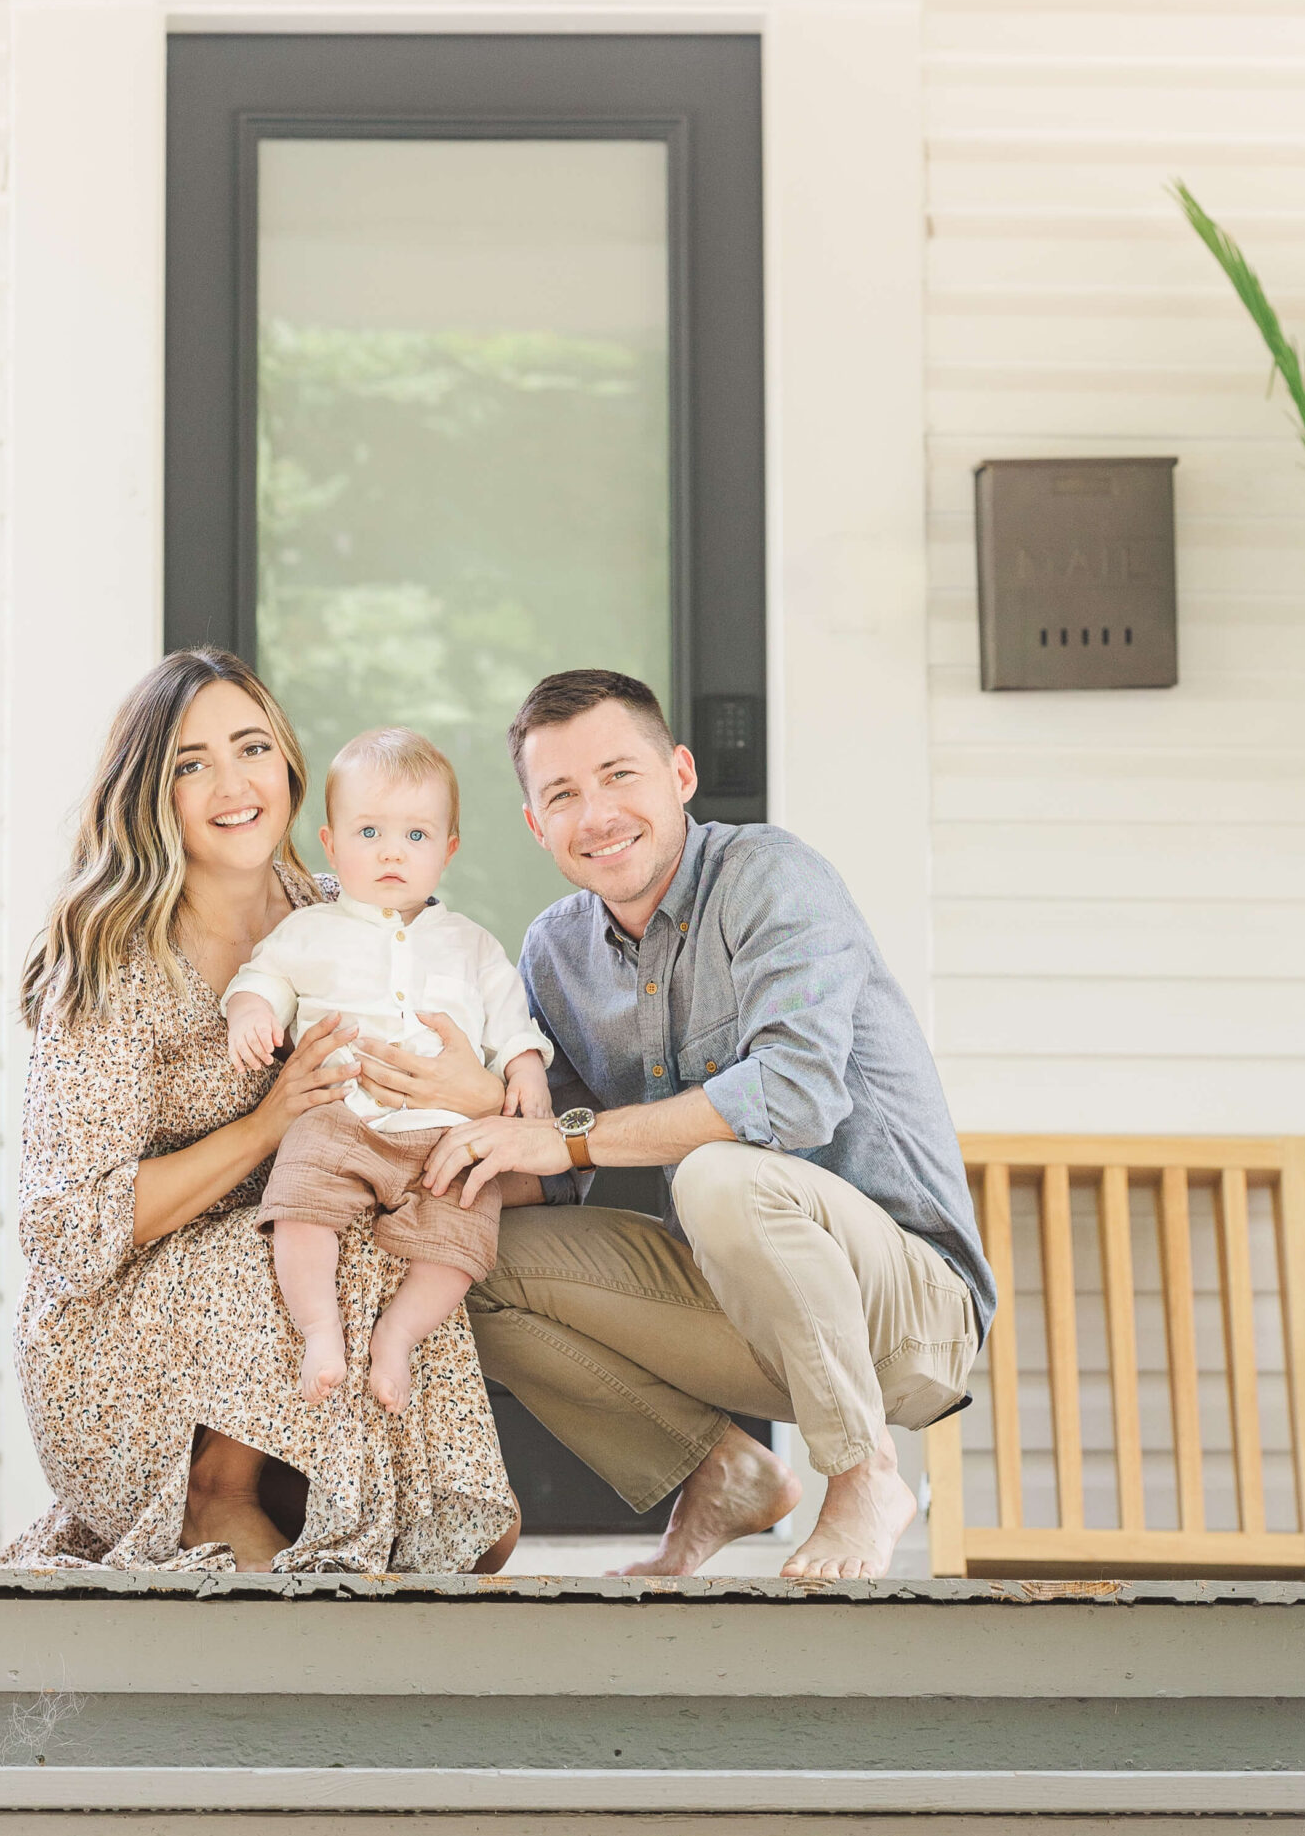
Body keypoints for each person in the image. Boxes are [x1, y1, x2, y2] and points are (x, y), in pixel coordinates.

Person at [424, 668, 994, 1582]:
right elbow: (555, 1160)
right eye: (562, 794)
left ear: (680, 775)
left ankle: (862, 1476)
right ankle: (722, 1469)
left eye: (619, 775)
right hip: (740, 1310)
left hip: (906, 1308)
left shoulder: (772, 878)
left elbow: (795, 1095)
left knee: (717, 1171)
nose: (596, 813)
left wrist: (566, 1137)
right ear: (536, 826)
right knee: (459, 1261)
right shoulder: (555, 952)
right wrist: (457, 1125)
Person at [0, 649, 518, 1577]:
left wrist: (478, 1092)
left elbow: (463, 1074)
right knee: (297, 1221)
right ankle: (212, 1498)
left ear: (290, 769)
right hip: (117, 1338)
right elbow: (62, 1231)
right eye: (190, 765)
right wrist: (264, 1127)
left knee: (475, 1530)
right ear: (149, 792)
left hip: (295, 1307)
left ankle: (389, 1493)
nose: (231, 785)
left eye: (251, 749)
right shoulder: (108, 961)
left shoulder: (339, 912)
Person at [221, 726, 554, 1413]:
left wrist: (526, 1070)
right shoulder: (309, 930)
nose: (391, 853)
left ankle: (397, 1337)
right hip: (339, 1117)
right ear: (331, 845)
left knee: (462, 1237)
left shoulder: (471, 944)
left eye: (415, 836)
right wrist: (251, 1013)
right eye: (368, 833)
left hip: (445, 1137)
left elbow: (509, 1022)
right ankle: (320, 1331)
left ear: (448, 850)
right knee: (298, 1209)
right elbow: (265, 977)